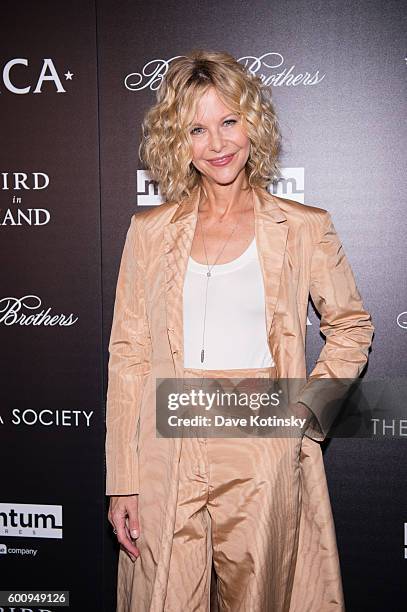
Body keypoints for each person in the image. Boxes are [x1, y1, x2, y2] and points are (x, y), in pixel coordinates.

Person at [105, 50, 374, 611]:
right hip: (167, 440)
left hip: (260, 441)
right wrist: (122, 478)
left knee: (262, 599)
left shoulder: (303, 227)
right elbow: (129, 354)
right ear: (179, 141)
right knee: (162, 599)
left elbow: (350, 326)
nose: (217, 143)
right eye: (197, 129)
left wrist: (303, 415)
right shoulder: (148, 232)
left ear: (253, 122)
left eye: (229, 121)